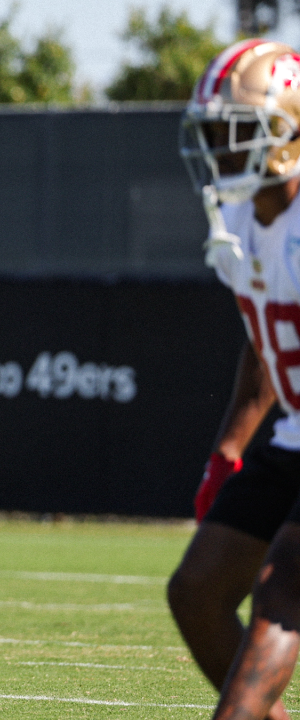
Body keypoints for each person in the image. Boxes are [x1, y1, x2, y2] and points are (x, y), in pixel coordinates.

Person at [169, 39, 300, 720]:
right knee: (197, 591)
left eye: (236, 129)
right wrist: (231, 449)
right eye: (213, 131)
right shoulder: (244, 222)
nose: (219, 146)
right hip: (295, 439)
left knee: (284, 589)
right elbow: (262, 342)